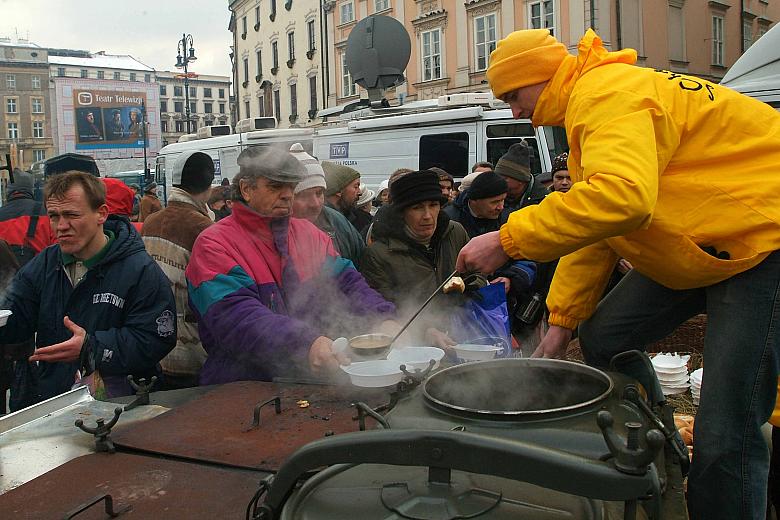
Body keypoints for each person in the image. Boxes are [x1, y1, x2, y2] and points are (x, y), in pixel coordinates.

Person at [456, 28, 780, 520]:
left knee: (726, 429)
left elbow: (621, 201)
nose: (513, 111)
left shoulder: (607, 93)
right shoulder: (593, 101)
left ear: (540, 78)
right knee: (606, 335)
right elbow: (599, 228)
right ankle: (661, 444)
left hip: (762, 242)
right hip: (704, 242)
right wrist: (562, 323)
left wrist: (505, 240)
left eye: (513, 95)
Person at [186, 146, 398, 385]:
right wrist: (305, 342)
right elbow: (237, 318)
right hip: (243, 388)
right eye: (276, 186)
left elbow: (349, 284)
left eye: (291, 186)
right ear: (246, 189)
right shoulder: (214, 244)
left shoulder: (310, 234)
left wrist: (383, 318)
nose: (288, 195)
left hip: (310, 383)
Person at [0, 171, 175, 408]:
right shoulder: (45, 264)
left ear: (101, 213)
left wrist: (91, 348)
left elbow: (157, 338)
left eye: (72, 215)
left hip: (122, 407)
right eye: (54, 216)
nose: (61, 226)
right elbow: (15, 316)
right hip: (57, 403)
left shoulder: (139, 269)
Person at [361, 170, 467, 349]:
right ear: (402, 212)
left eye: (433, 205)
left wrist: (468, 289)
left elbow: (476, 274)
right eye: (417, 208)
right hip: (413, 346)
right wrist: (426, 330)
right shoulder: (379, 254)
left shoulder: (455, 233)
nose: (427, 215)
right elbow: (385, 308)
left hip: (463, 334)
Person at [142, 151, 215, 389]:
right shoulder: (203, 227)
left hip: (153, 343)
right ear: (209, 186)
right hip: (191, 350)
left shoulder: (151, 221)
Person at [290, 143, 365, 268]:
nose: (315, 204)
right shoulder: (270, 232)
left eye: (319, 193)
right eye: (303, 195)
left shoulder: (338, 222)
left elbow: (362, 265)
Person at [0, 170, 56, 266]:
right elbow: (58, 248)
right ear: (31, 189)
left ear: (8, 190)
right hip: (41, 275)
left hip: (5, 278)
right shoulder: (47, 212)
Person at [444, 171, 508, 238]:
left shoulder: (508, 219)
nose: (500, 207)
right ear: (474, 200)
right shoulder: (449, 220)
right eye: (495, 202)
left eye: (502, 200)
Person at [494, 141, 548, 212]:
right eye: (497, 176)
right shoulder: (495, 196)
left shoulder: (544, 201)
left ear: (520, 180)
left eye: (505, 178)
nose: (498, 181)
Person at [322, 161, 369, 233]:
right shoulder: (322, 222)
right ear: (339, 191)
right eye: (356, 187)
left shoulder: (358, 218)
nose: (360, 192)